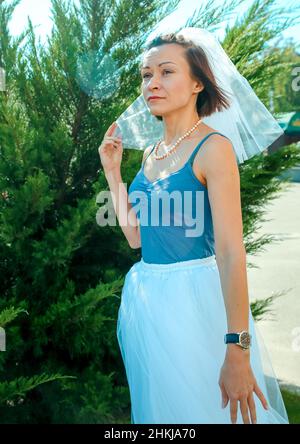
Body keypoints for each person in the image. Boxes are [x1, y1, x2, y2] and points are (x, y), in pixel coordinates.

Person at [98, 28, 289, 424]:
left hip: (195, 305)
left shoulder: (214, 148)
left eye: (166, 72)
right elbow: (136, 237)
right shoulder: (152, 153)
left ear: (197, 82)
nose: (152, 83)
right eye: (146, 75)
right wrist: (113, 174)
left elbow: (231, 252)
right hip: (149, 306)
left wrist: (238, 349)